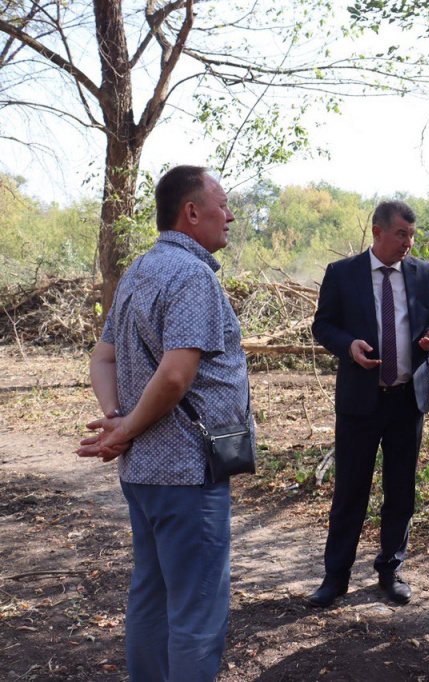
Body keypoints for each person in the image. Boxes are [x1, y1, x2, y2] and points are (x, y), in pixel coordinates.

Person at [76, 165, 251, 681]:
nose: (230, 214)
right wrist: (124, 428)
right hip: (187, 474)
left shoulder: (140, 270)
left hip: (143, 473)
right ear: (191, 212)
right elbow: (176, 377)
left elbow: (101, 358)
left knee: (151, 599)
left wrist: (115, 421)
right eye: (222, 204)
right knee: (196, 613)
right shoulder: (192, 276)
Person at [308, 200, 429, 608]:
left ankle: (391, 569)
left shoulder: (423, 274)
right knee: (350, 491)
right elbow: (323, 324)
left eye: (412, 236)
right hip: (359, 402)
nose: (408, 243)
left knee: (400, 490)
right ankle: (336, 577)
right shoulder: (343, 273)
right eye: (401, 234)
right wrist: (347, 345)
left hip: (407, 401)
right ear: (378, 231)